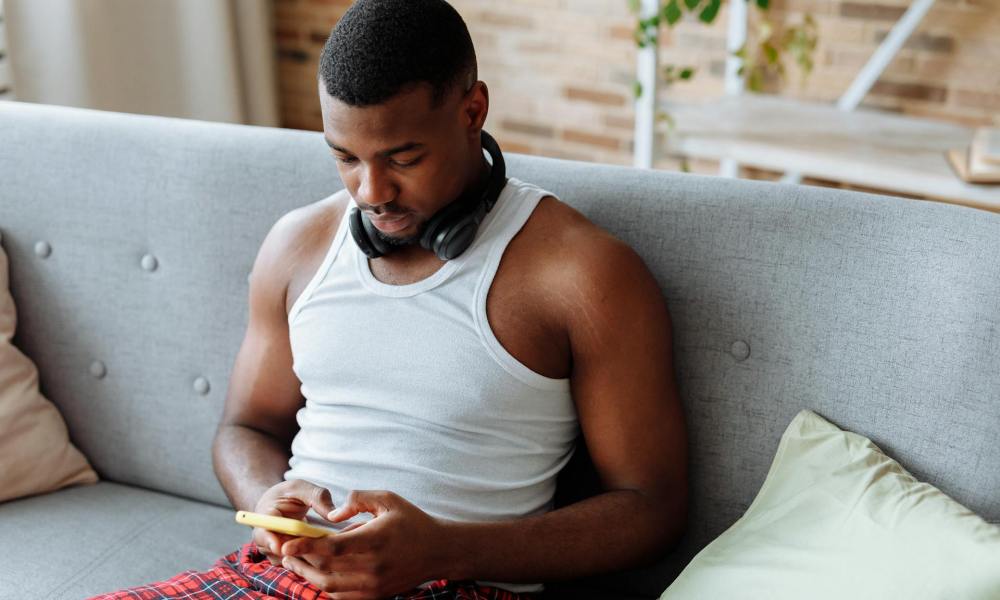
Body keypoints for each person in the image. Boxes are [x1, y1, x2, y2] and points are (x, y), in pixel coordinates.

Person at [90, 1, 687, 598]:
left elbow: (651, 509)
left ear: (472, 110)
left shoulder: (584, 273)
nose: (371, 193)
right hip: (270, 575)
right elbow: (244, 428)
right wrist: (268, 504)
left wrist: (443, 550)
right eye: (345, 157)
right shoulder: (298, 244)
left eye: (403, 157)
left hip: (456, 587)